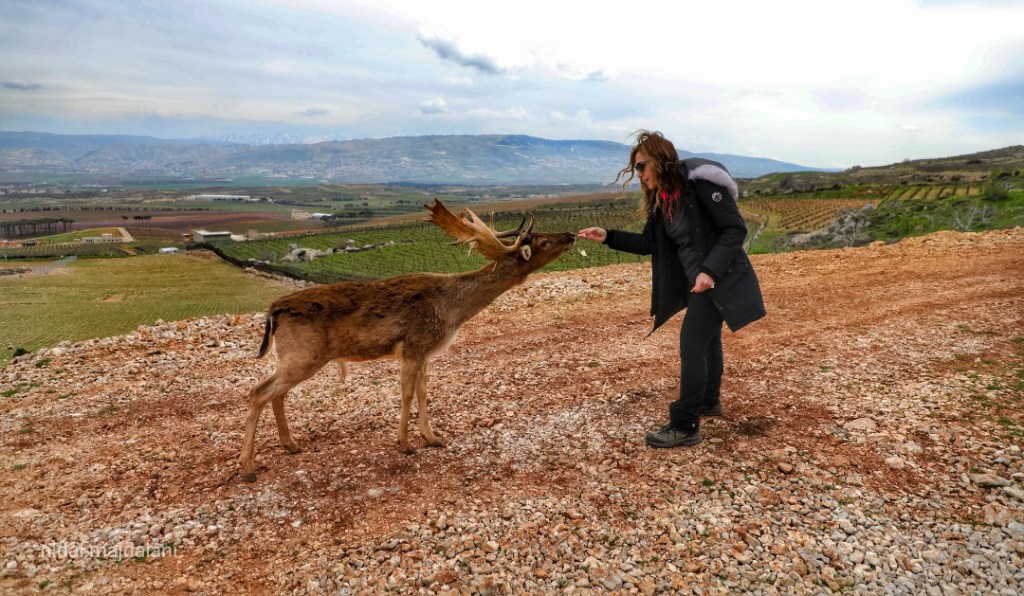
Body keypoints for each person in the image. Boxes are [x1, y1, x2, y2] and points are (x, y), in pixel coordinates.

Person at [577, 130, 765, 448]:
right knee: (706, 342)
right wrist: (607, 235)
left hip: (719, 278)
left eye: (640, 167)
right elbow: (647, 243)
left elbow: (734, 229)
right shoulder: (663, 201)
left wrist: (709, 271)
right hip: (700, 283)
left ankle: (686, 424)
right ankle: (708, 401)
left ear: (659, 161)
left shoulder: (698, 186)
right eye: (635, 169)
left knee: (692, 344)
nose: (638, 175)